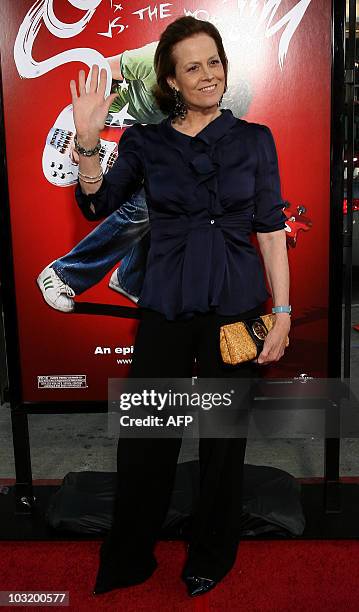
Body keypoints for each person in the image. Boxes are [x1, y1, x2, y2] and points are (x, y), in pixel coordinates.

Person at [72, 15, 291, 597]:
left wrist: (284, 313)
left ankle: (211, 557)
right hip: (166, 303)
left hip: (238, 308)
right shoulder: (146, 142)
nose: (208, 76)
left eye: (214, 62)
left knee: (225, 441)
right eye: (192, 67)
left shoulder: (255, 140)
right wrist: (91, 143)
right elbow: (97, 207)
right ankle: (131, 555)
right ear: (169, 80)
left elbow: (270, 230)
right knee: (147, 436)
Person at [37, 41, 252, 312]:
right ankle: (60, 274)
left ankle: (131, 279)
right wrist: (86, 138)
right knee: (149, 202)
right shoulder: (156, 59)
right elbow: (101, 71)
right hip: (101, 129)